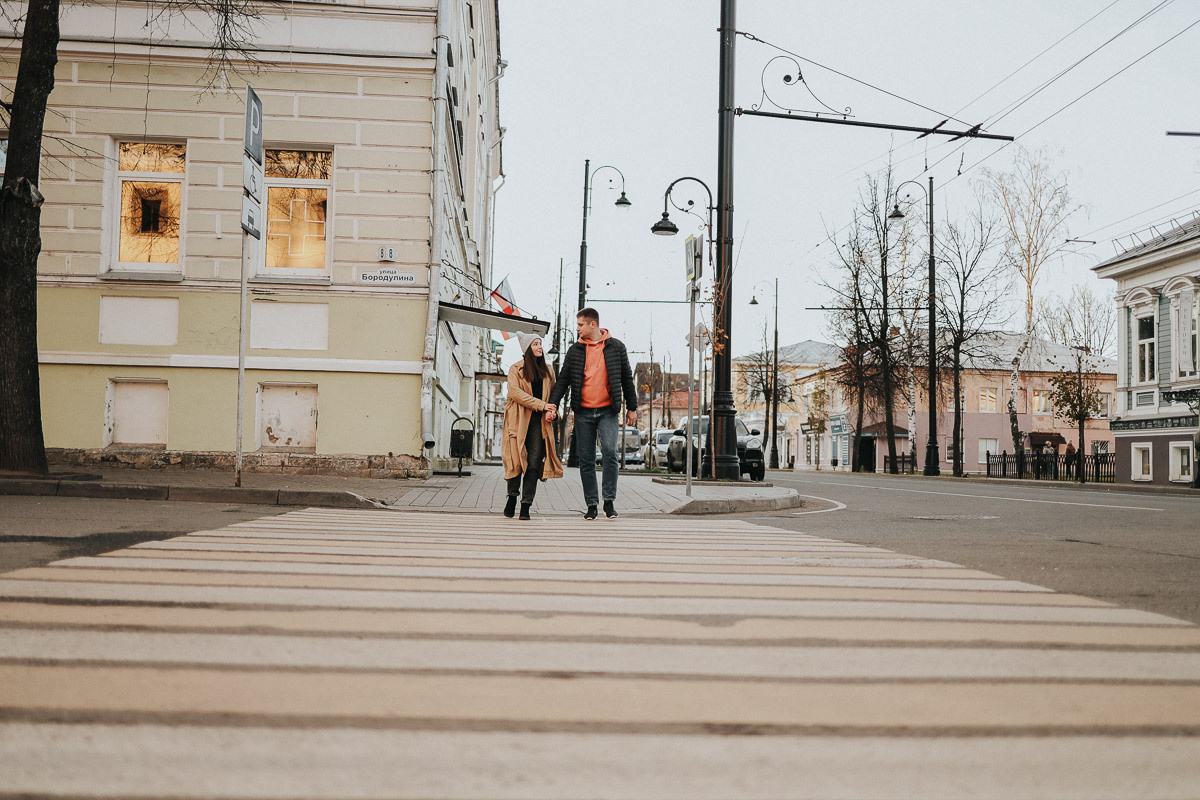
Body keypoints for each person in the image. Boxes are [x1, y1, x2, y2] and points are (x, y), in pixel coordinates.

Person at [547, 307, 637, 519]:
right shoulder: (575, 350)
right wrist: (553, 405)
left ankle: (609, 501)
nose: (577, 328)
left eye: (580, 325)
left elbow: (627, 378)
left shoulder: (616, 347)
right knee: (586, 459)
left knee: (609, 453)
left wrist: (632, 407)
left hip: (608, 411)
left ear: (592, 324)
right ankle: (592, 505)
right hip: (583, 412)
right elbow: (562, 381)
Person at [501, 332, 563, 520]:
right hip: (518, 419)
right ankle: (512, 497)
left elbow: (552, 397)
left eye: (540, 344)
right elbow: (514, 393)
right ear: (527, 348)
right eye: (535, 344)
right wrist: (542, 405)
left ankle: (526, 504)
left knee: (534, 461)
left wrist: (552, 411)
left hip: (539, 422)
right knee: (516, 460)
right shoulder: (515, 369)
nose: (539, 347)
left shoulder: (547, 370)